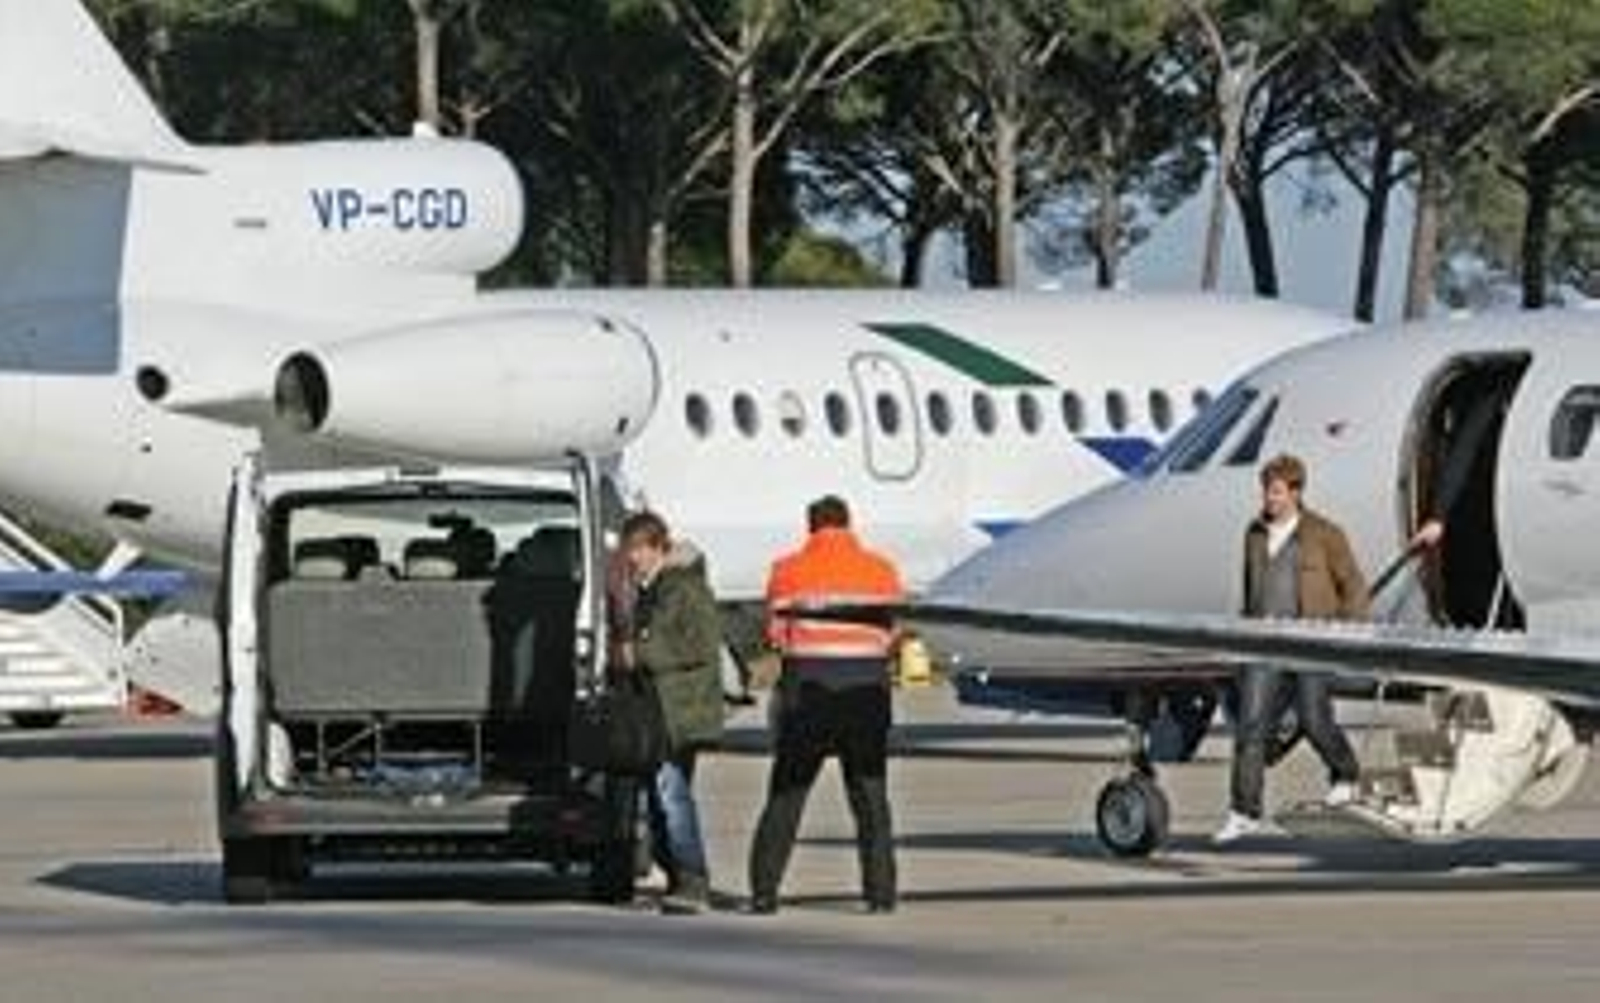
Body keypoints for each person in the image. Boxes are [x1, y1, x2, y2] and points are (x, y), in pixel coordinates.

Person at [748, 496, 905, 914]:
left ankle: (764, 892)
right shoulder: (882, 569)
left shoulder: (787, 570)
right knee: (870, 800)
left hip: (808, 694)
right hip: (865, 695)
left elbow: (775, 635)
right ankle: (880, 894)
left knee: (787, 796)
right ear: (849, 524)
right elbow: (893, 633)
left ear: (811, 527)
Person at [1215, 454, 1369, 844]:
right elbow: (1251, 589)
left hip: (1310, 643)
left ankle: (1346, 775)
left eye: (1277, 492)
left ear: (1296, 493)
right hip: (1263, 645)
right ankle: (1244, 812)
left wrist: (1346, 634)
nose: (1269, 499)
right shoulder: (1254, 533)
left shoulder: (1324, 534)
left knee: (1315, 721)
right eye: (1267, 492)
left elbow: (1353, 586)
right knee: (1250, 728)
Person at [619, 511, 725, 914]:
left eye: (639, 549)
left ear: (658, 547)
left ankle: (693, 880)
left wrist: (639, 654)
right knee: (662, 796)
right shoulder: (653, 588)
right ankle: (679, 877)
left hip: (678, 712)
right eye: (630, 550)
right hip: (659, 710)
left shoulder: (683, 587)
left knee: (672, 794)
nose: (632, 558)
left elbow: (701, 645)